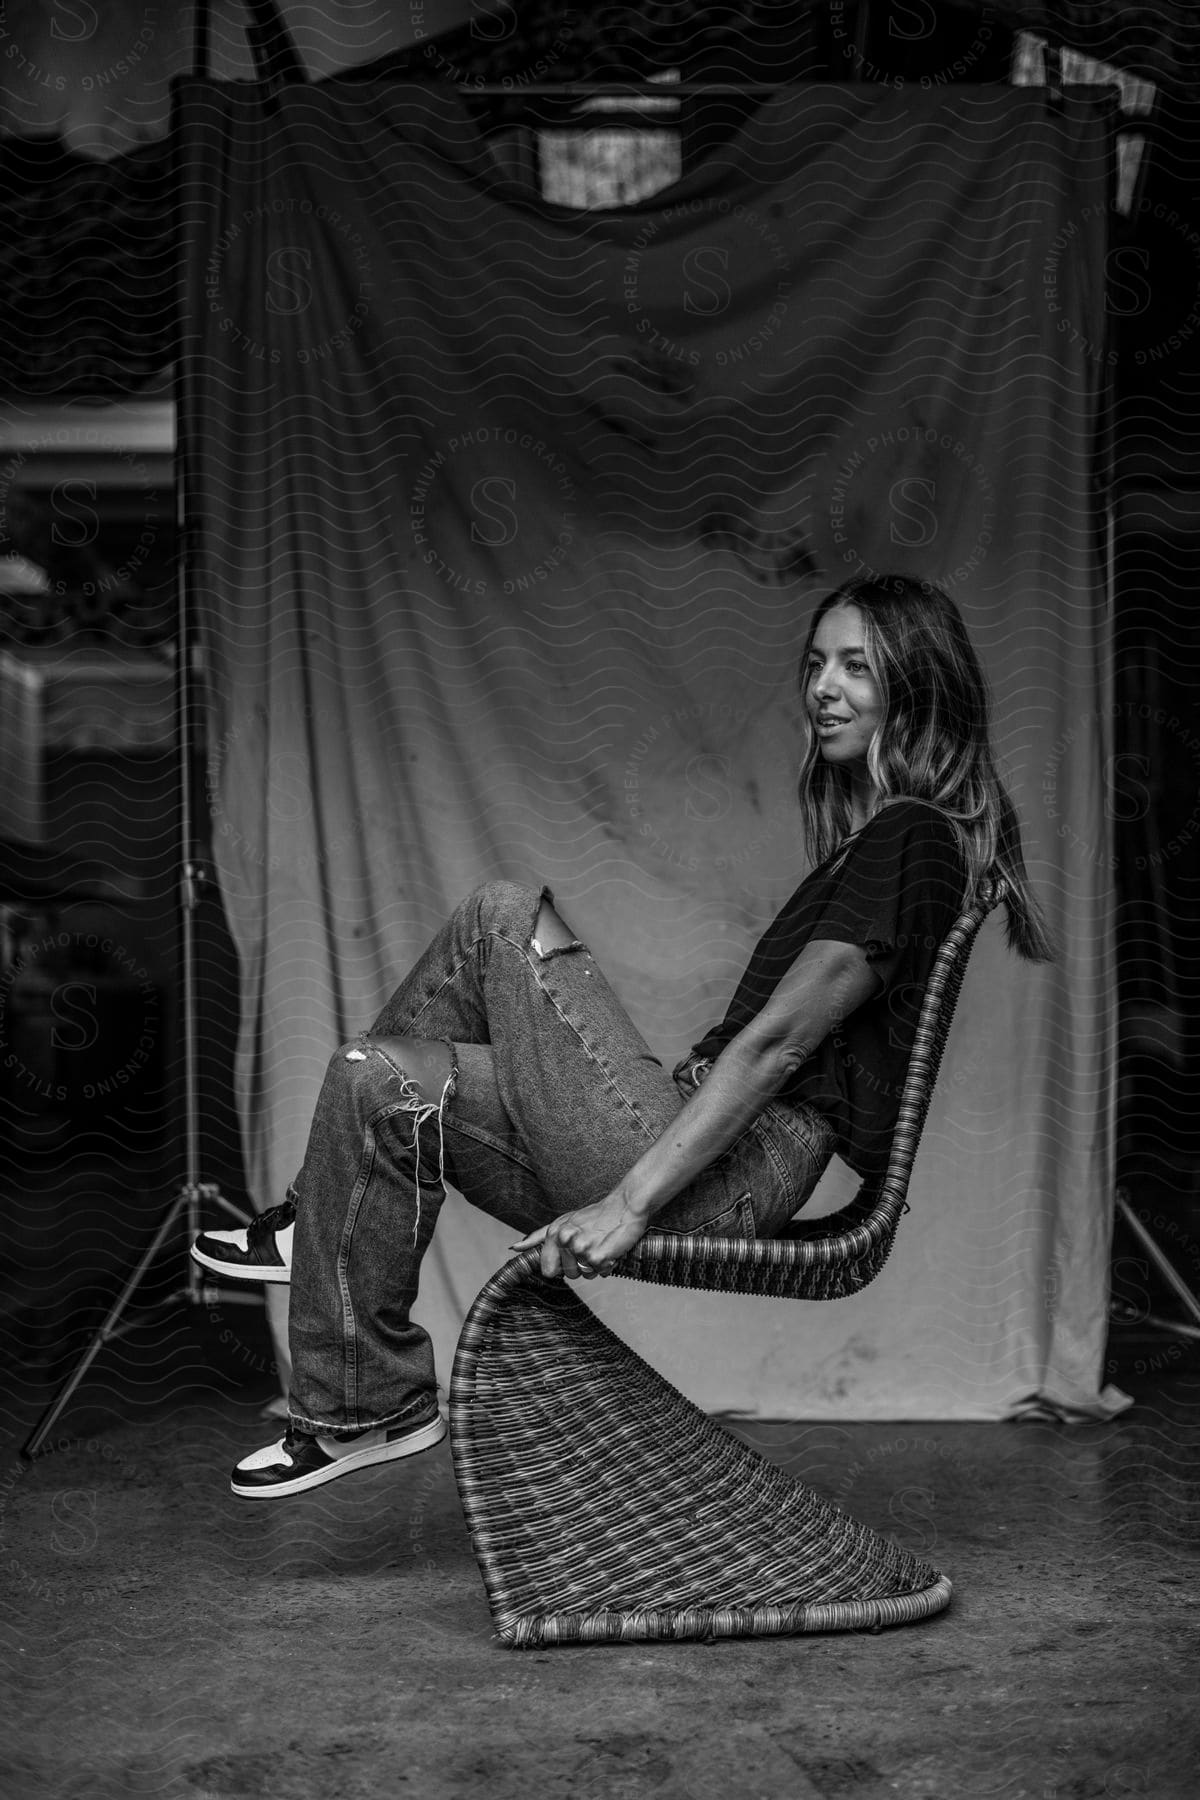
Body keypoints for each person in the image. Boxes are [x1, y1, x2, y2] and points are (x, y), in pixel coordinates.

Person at [192, 573, 1053, 1498]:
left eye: (856, 666)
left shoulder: (911, 835)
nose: (822, 689)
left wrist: (632, 1205)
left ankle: (306, 1223)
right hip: (702, 1150)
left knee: (502, 914)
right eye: (814, 665)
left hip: (720, 1176)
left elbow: (779, 1046)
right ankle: (363, 1404)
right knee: (377, 1081)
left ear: (916, 683)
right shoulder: (893, 838)